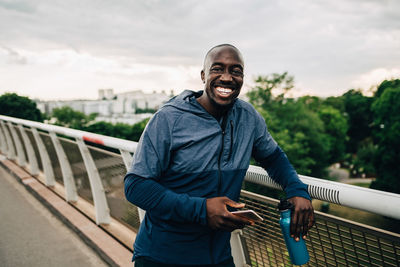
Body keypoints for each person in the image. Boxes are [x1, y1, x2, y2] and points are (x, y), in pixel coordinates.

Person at [124, 44, 315, 266]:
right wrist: (202, 210)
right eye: (217, 69)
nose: (227, 77)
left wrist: (297, 190)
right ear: (203, 75)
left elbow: (273, 158)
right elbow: (136, 186)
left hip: (219, 257)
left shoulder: (248, 117)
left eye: (236, 71)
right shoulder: (168, 119)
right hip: (162, 256)